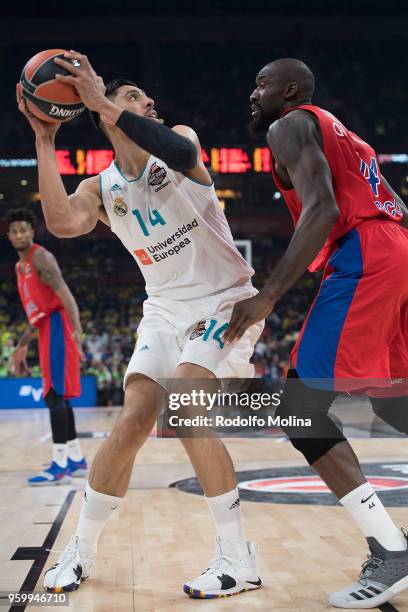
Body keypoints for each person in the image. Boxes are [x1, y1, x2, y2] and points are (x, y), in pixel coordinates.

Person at [16, 50, 263, 598]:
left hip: (225, 303)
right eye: (135, 98)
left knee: (188, 406)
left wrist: (105, 102)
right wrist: (44, 141)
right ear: (108, 107)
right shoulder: (99, 188)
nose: (146, 105)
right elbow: (60, 223)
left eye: (145, 101)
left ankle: (237, 558)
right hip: (164, 309)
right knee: (131, 424)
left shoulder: (179, 141)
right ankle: (79, 553)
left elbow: (177, 148)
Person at [224, 57, 408, 609]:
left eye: (261, 85)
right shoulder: (343, 133)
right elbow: (392, 204)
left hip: (368, 254)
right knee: (394, 406)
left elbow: (324, 208)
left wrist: (268, 296)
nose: (252, 95)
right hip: (395, 248)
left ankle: (391, 550)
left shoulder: (290, 123)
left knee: (300, 409)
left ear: (291, 89)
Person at [6, 208, 87, 485]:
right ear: (8, 236)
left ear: (32, 232)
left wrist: (76, 330)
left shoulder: (40, 257)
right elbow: (35, 316)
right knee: (59, 396)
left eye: (23, 230)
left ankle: (59, 463)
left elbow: (65, 295)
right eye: (14, 231)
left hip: (57, 326)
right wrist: (20, 346)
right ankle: (75, 457)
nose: (19, 235)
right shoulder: (20, 267)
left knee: (53, 395)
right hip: (45, 328)